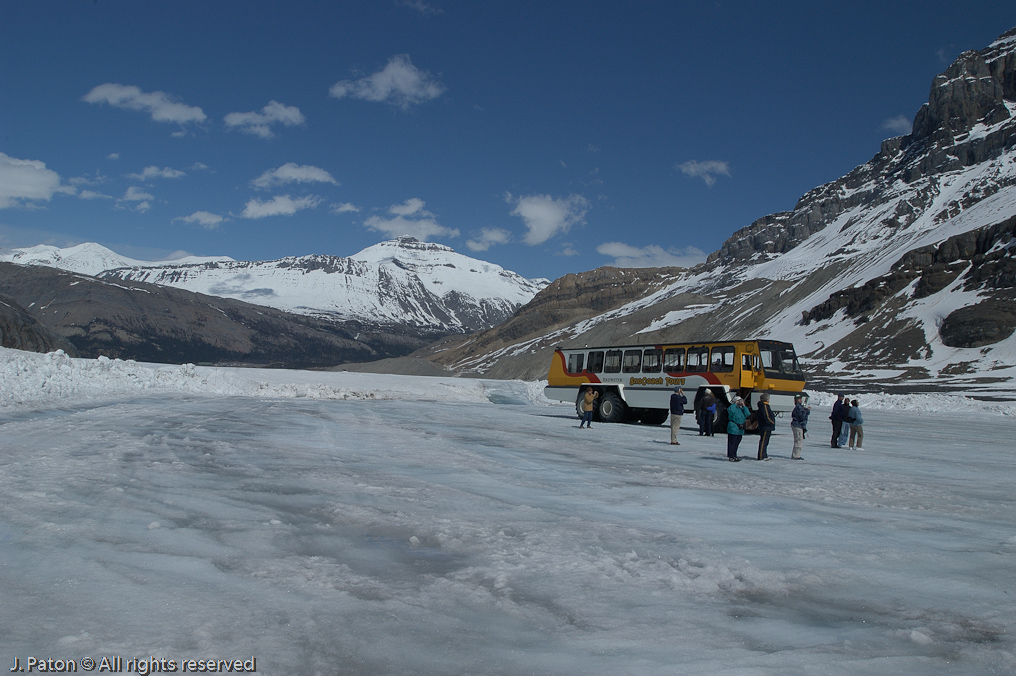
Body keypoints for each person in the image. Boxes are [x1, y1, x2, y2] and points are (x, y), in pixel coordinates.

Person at [726, 396, 750, 462]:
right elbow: (731, 411)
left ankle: (734, 455)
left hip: (740, 429)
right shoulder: (732, 408)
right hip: (733, 427)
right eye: (739, 401)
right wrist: (735, 404)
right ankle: (731, 456)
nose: (740, 402)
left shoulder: (741, 409)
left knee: (737, 443)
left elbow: (747, 413)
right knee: (732, 443)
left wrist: (744, 406)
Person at [755, 392, 775, 461]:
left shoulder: (765, 406)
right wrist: (771, 422)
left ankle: (764, 454)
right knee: (763, 441)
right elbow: (766, 416)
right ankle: (761, 456)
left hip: (766, 426)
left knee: (765, 442)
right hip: (765, 426)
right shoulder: (764, 406)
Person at [790, 394, 810, 459]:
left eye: (801, 399)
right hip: (797, 425)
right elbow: (801, 416)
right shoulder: (798, 408)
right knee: (798, 440)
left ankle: (796, 454)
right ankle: (795, 455)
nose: (800, 400)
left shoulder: (800, 407)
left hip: (798, 425)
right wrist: (807, 411)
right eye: (799, 399)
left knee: (799, 440)